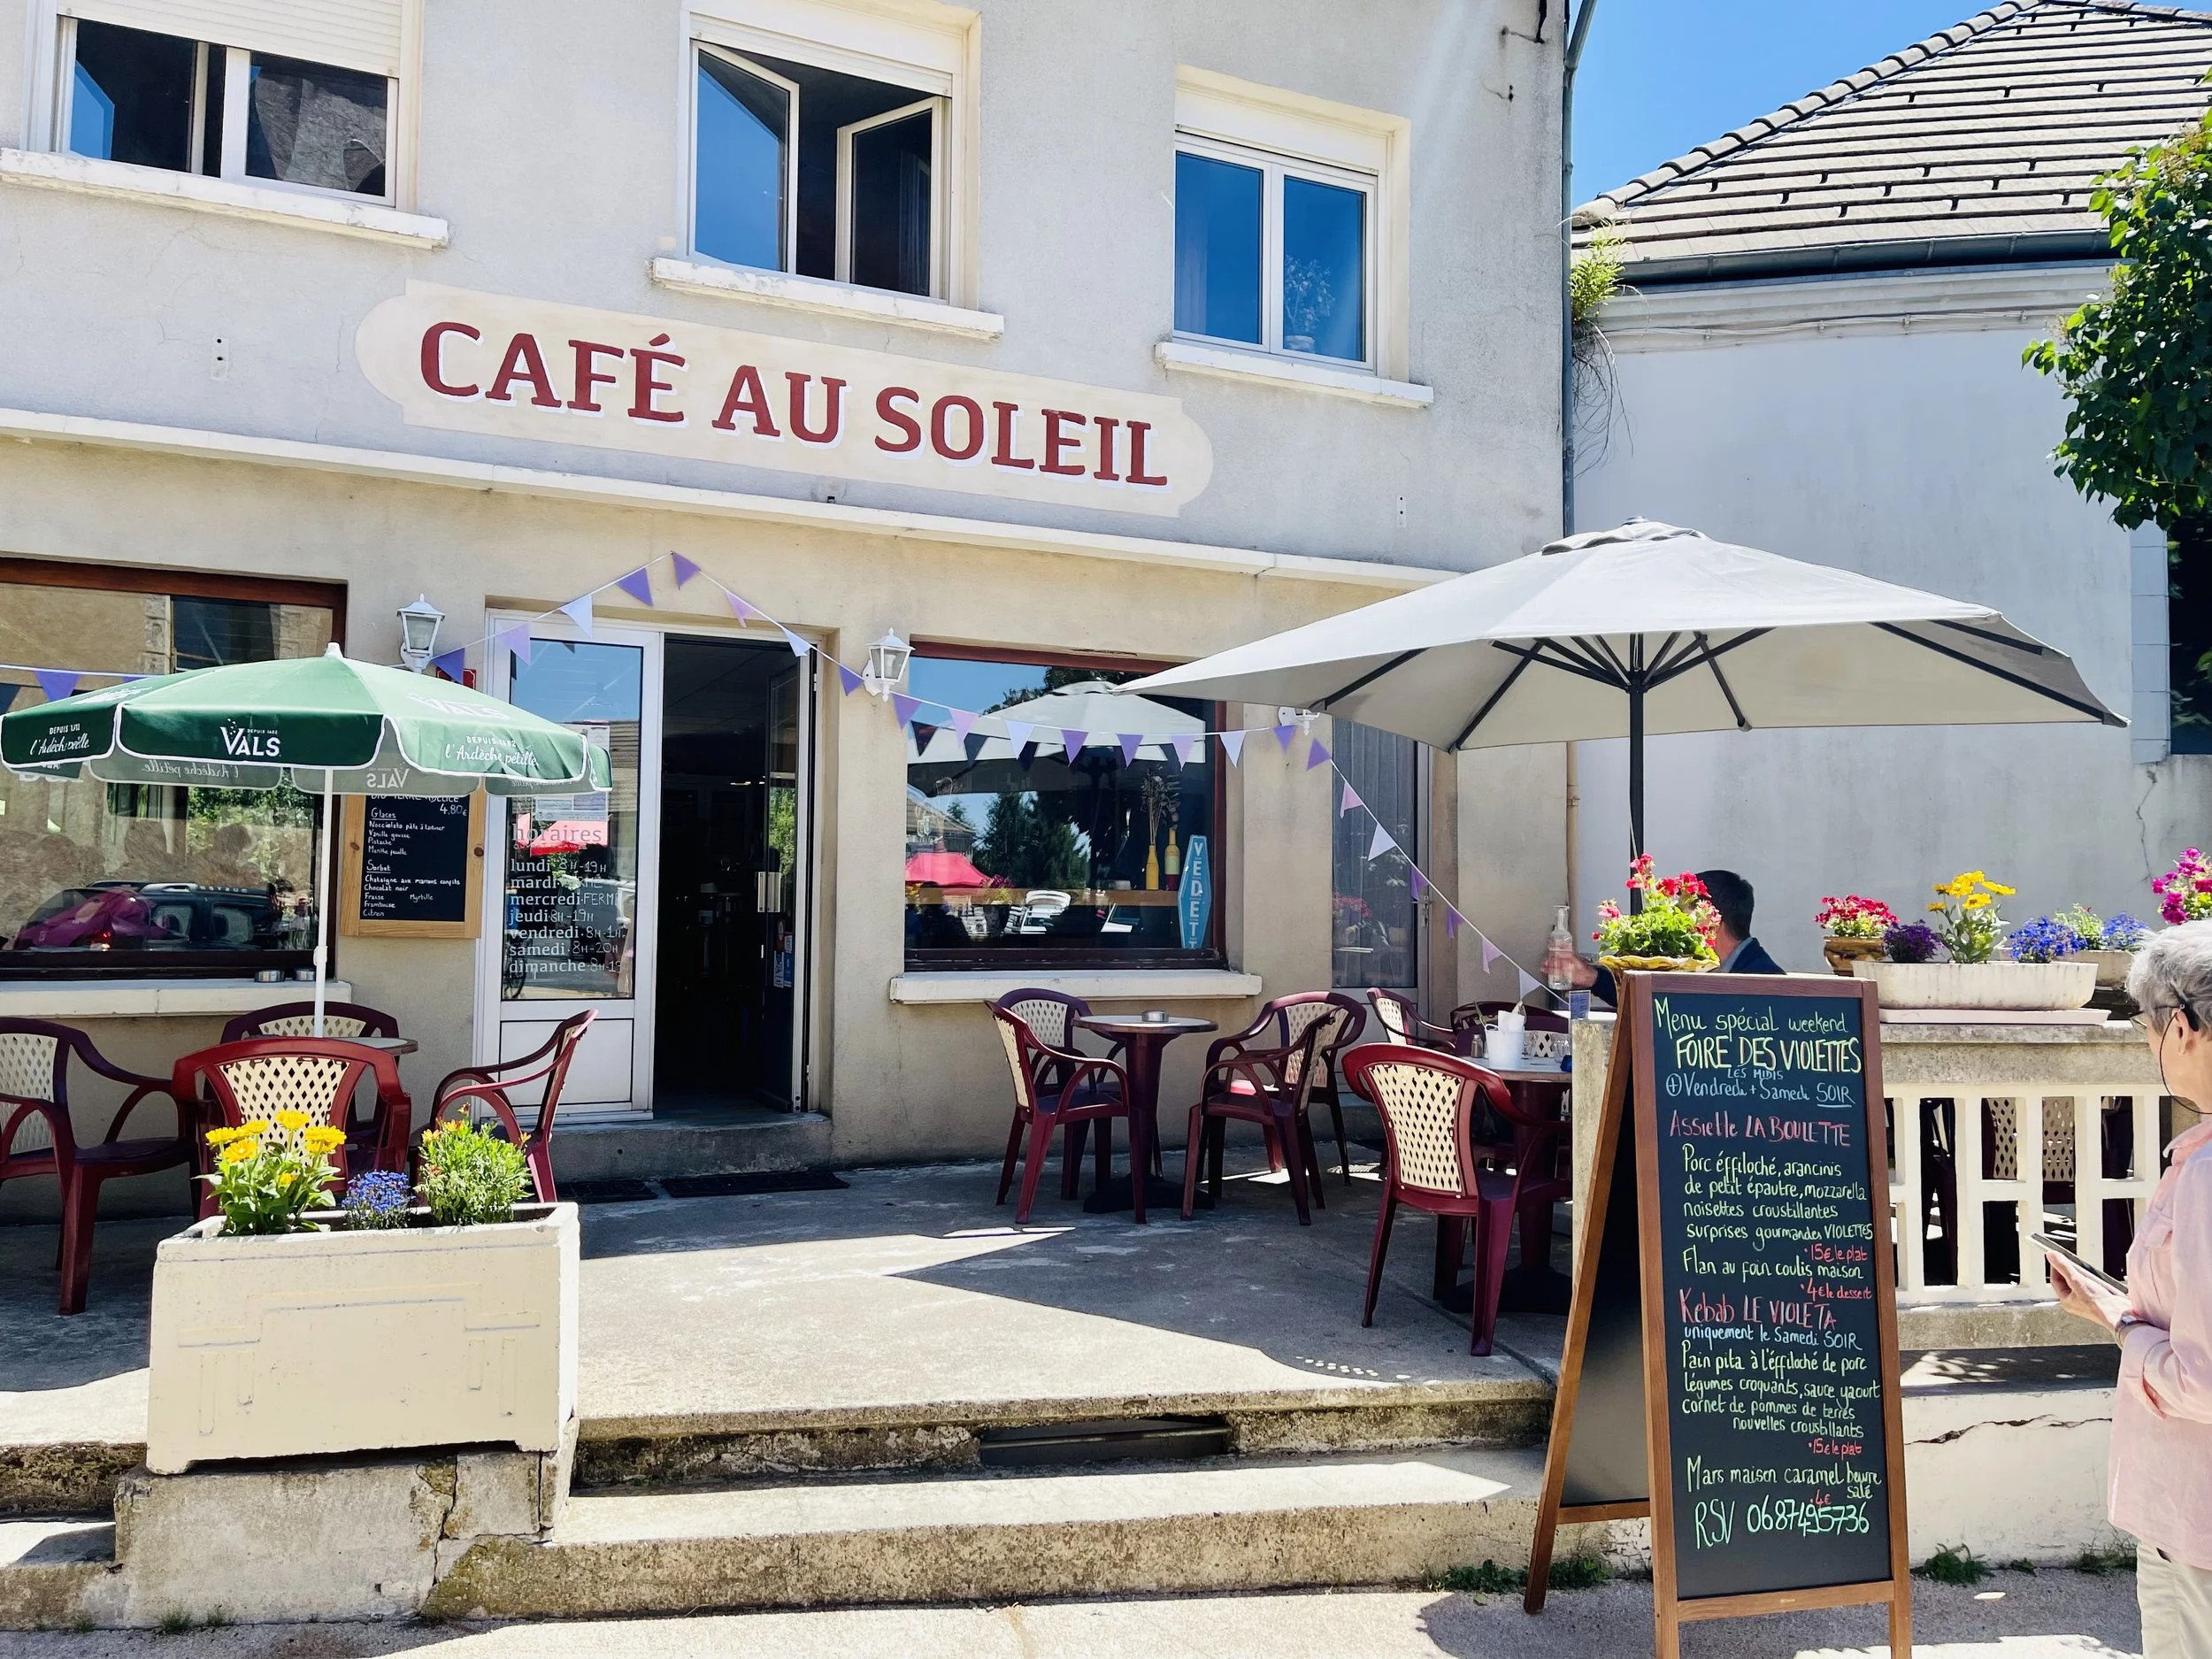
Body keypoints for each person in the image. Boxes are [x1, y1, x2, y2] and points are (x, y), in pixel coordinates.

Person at [2047, 921, 2212, 1658]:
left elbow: (2204, 1381)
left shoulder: (2208, 1176)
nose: (2148, 1045)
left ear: (2182, 1026)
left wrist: (2122, 1322)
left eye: (2148, 1028)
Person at [1544, 867, 1785, 1006]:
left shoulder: (1766, 981)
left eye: (1683, 914)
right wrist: (1592, 978)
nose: (1676, 923)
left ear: (1711, 920)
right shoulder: (1699, 965)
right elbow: (1650, 1002)